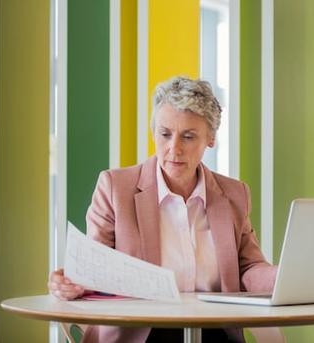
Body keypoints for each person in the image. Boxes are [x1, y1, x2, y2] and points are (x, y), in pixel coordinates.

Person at [47, 76, 277, 343]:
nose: (173, 148)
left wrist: (285, 278)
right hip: (140, 334)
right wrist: (72, 281)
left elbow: (249, 268)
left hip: (216, 332)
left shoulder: (234, 194)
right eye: (165, 134)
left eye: (188, 137)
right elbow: (96, 269)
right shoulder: (115, 187)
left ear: (210, 139)